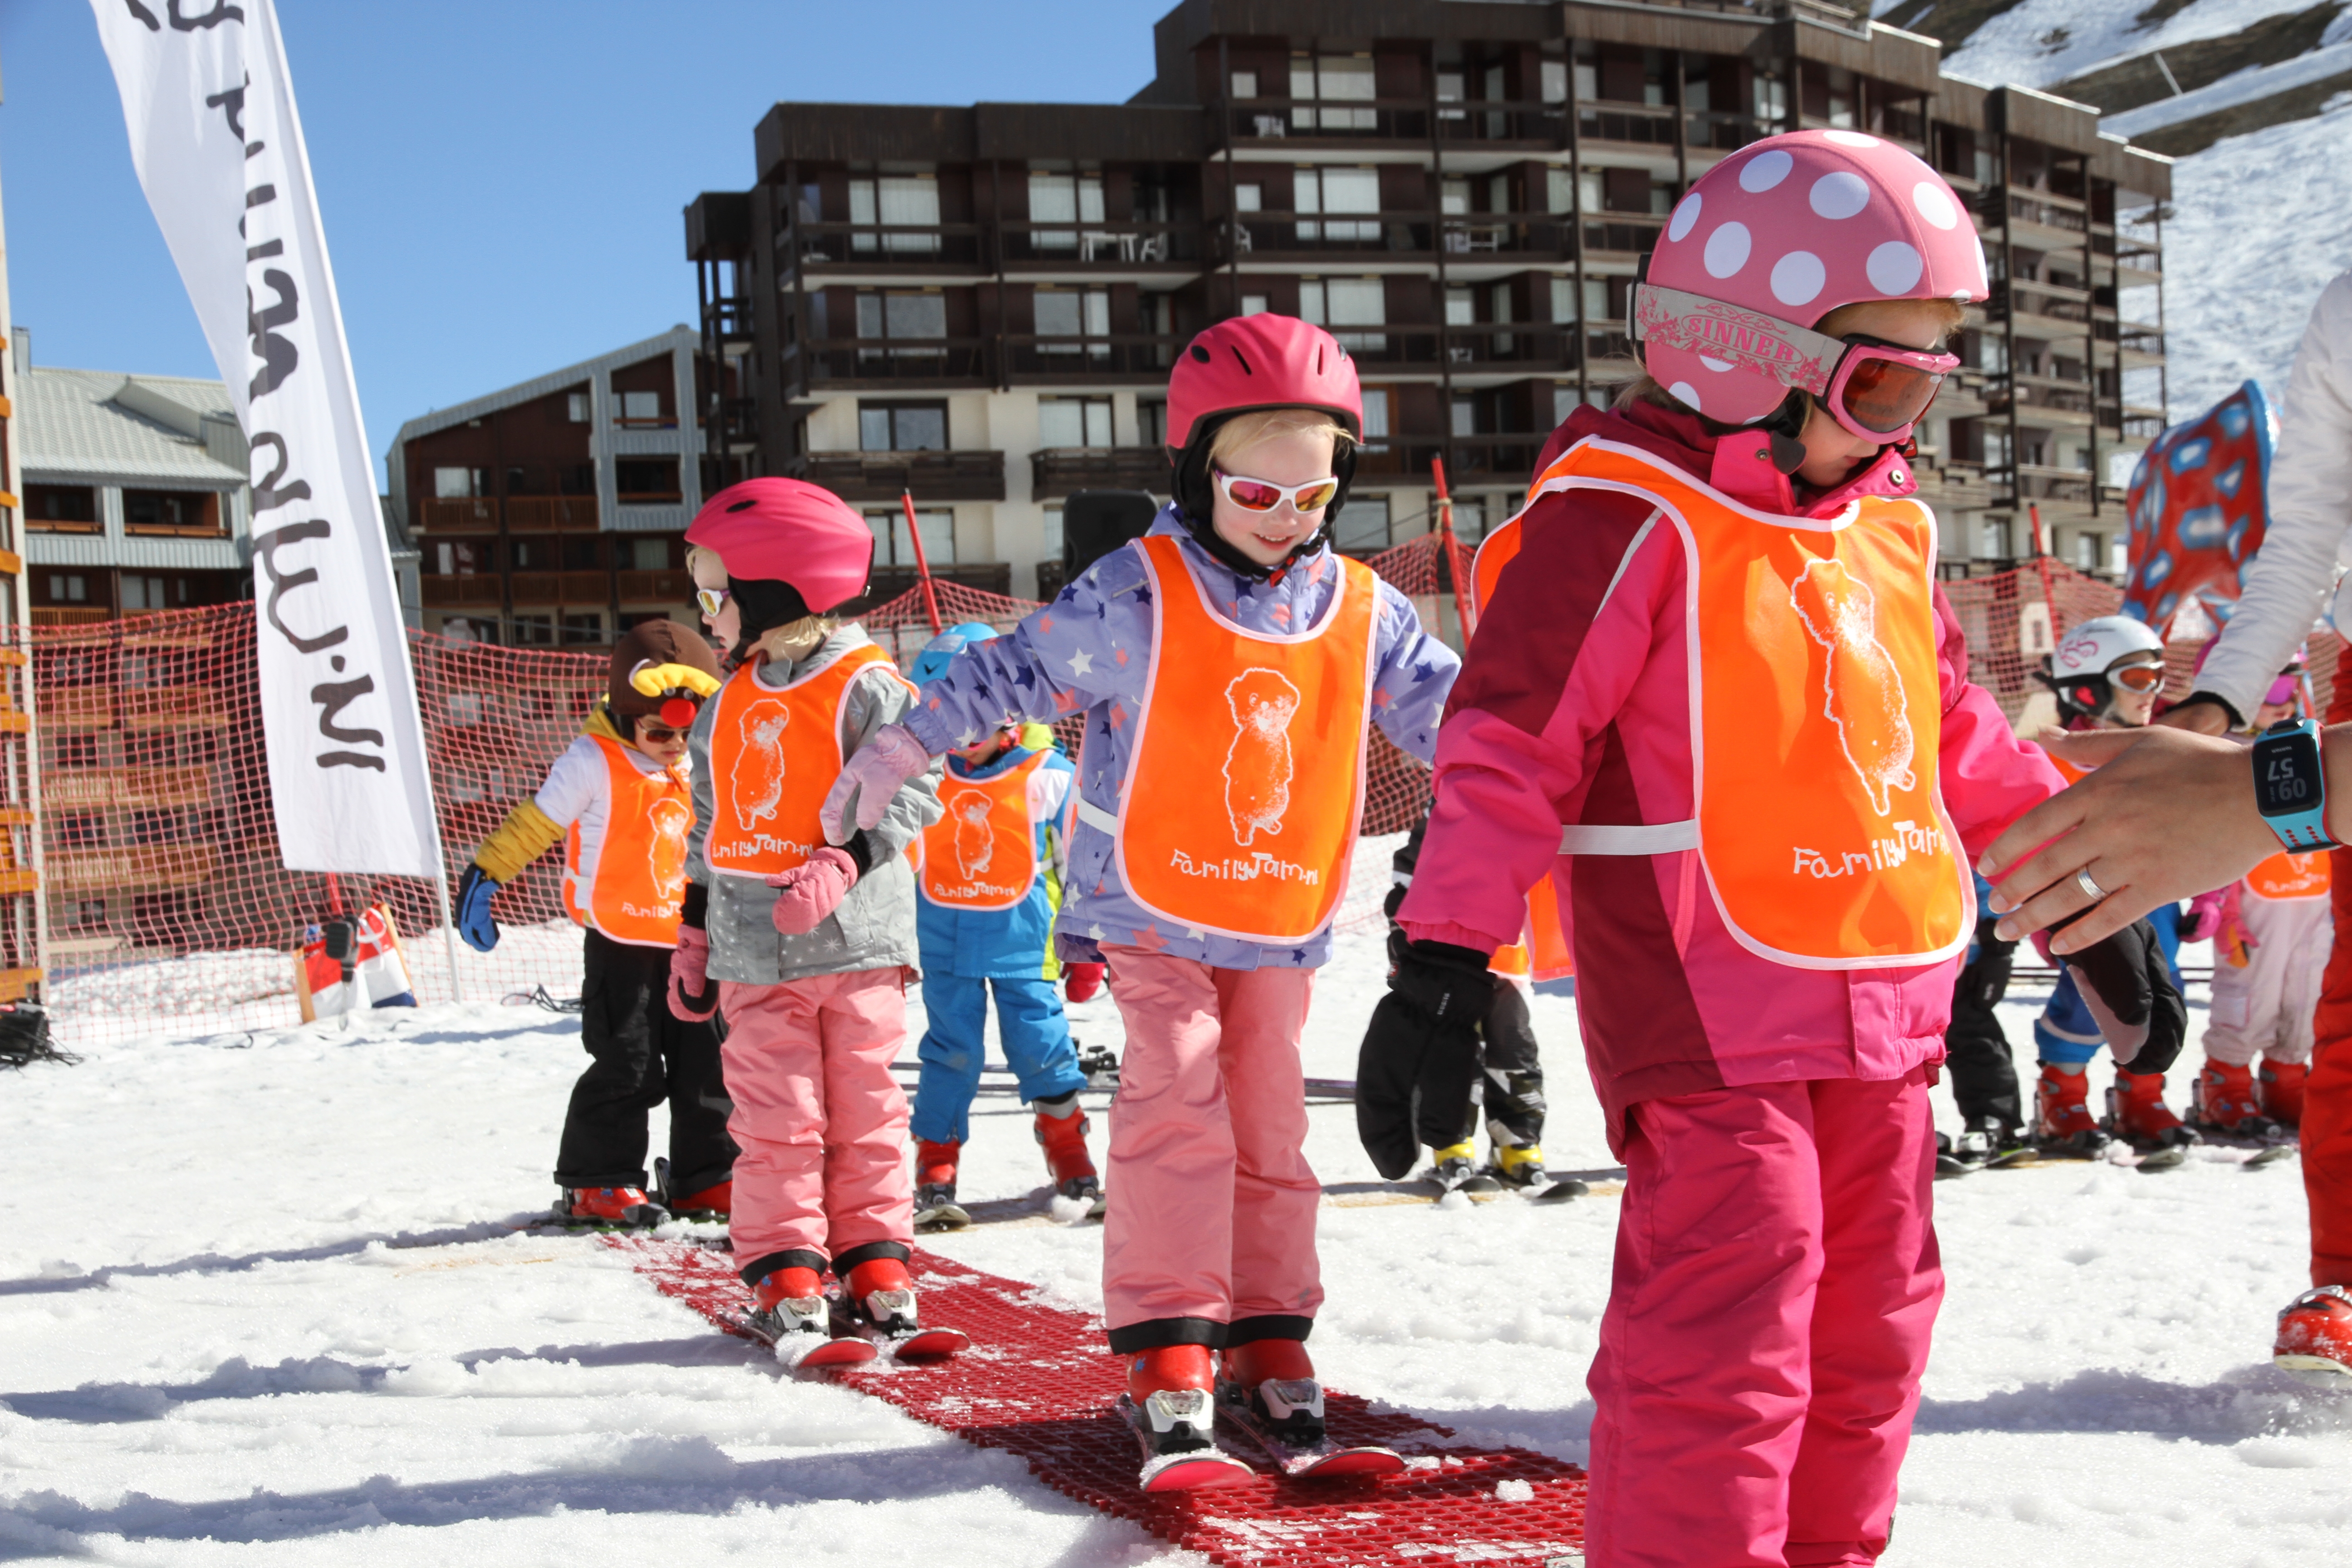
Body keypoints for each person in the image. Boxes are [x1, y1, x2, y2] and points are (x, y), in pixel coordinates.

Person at [1358, 130, 2188, 1563]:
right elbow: (1509, 748)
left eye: (1928, 388)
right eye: (1877, 383)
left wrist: (2082, 892)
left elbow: (1954, 743)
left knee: (1874, 1324)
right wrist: (1443, 958)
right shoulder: (1623, 512)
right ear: (1739, 354)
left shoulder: (1885, 530)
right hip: (1703, 990)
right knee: (1734, 1316)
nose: (1897, 431)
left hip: (1882, 993)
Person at [819, 312, 1461, 1486]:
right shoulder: (1141, 591)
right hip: (1153, 907)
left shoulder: (1363, 610)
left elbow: (1455, 721)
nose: (1287, 520)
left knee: (1270, 1121)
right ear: (1198, 469)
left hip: (1277, 916)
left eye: (1313, 497)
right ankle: (1171, 1351)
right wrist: (903, 749)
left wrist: (1561, 782)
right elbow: (1009, 671)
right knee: (1177, 1095)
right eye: (1258, 493)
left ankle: (1272, 1330)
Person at [2037, 270, 2352, 1382]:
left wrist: (2252, 795)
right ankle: (2344, 1272)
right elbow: (2308, 527)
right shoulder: (2344, 307)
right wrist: (2209, 715)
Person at [673, 477, 950, 1368]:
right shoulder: (727, 701)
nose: (706, 613)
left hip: (859, 944)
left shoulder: (867, 686)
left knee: (867, 1111)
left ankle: (876, 1261)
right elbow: (709, 824)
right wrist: (694, 927)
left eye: (715, 593)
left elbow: (917, 783)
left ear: (775, 591)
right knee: (778, 1119)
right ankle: (787, 1270)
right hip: (758, 952)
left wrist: (846, 860)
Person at [454, 619, 735, 1227]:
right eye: (658, 732)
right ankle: (599, 1180)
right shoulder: (593, 760)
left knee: (710, 1065)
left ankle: (707, 1177)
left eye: (686, 734)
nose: (673, 746)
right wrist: (486, 876)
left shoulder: (705, 760)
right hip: (621, 943)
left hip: (699, 939)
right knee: (626, 1061)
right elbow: (538, 823)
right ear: (627, 716)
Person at [903, 622, 1100, 1228]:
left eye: (974, 723)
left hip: (1025, 947)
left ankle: (1070, 1154)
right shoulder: (920, 777)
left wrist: (1086, 944)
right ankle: (937, 1164)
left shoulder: (1047, 778)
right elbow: (894, 860)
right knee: (952, 1055)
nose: (962, 741)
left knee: (1044, 1050)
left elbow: (1081, 862)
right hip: (944, 948)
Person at [2026, 616, 2208, 1158]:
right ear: (2087, 688)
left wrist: (2212, 898)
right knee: (2086, 1004)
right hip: (2089, 913)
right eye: (2136, 678)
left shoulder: (2161, 756)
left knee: (2163, 996)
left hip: (2159, 905)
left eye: (2157, 676)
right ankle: (2062, 1094)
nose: (2152, 692)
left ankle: (2142, 1094)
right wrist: (2043, 915)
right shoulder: (2050, 767)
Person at [1378, 810, 1552, 1192]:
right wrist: (1404, 940)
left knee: (1515, 1052)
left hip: (1509, 961)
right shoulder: (1451, 806)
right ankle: (1451, 1145)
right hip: (1449, 963)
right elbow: (1408, 874)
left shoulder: (1531, 807)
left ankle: (1518, 1146)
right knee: (1454, 1053)